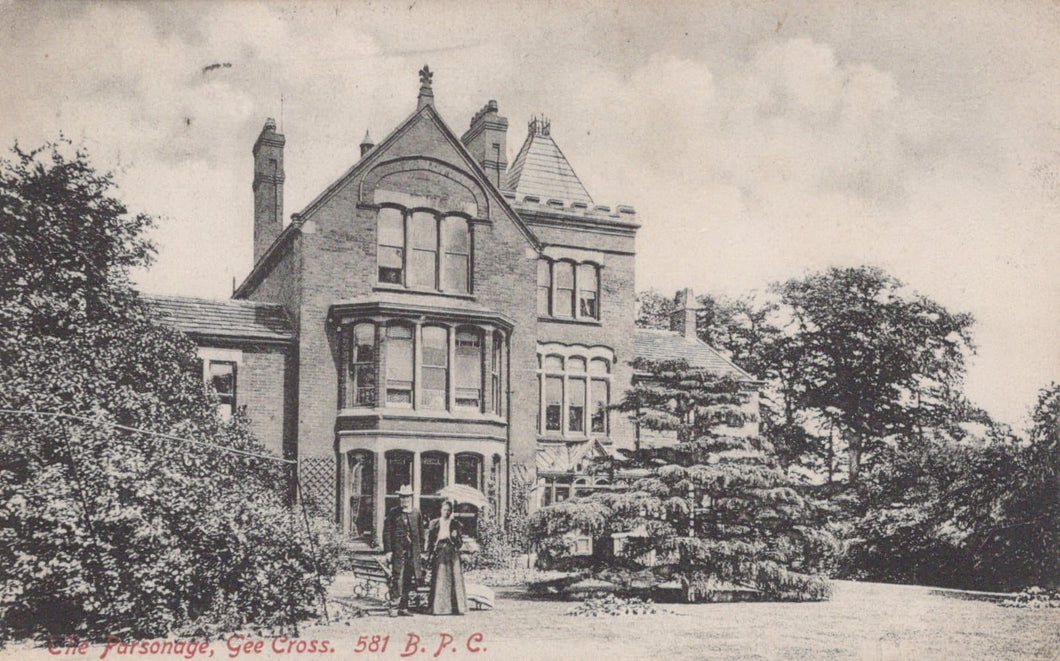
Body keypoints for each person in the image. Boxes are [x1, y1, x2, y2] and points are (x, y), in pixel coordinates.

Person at [383, 484, 423, 616]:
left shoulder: (416, 513)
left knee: (408, 579)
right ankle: (394, 607)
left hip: (412, 553)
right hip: (398, 552)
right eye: (401, 498)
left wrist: (420, 551)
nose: (404, 501)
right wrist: (388, 550)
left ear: (411, 498)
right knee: (397, 578)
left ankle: (403, 607)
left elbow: (421, 533)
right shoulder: (394, 513)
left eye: (406, 498)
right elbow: (387, 532)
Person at [426, 499, 468, 615]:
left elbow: (459, 544)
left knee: (453, 579)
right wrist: (428, 554)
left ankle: (455, 608)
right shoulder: (434, 523)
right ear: (440, 510)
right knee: (440, 578)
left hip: (452, 553)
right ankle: (438, 608)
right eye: (444, 510)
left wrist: (455, 537)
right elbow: (430, 541)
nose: (446, 512)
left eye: (449, 510)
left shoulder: (456, 524)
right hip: (439, 551)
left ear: (451, 511)